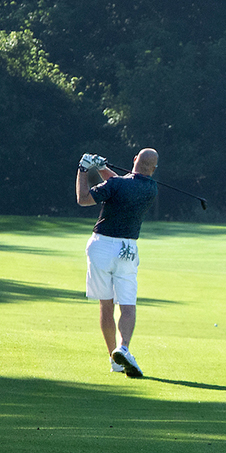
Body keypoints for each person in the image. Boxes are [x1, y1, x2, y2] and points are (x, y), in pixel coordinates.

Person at [76, 148, 161, 378]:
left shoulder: (116, 185)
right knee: (128, 304)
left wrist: (83, 170)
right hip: (128, 249)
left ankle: (114, 360)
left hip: (101, 246)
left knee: (106, 305)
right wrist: (102, 168)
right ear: (153, 169)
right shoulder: (151, 188)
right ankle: (123, 348)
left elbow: (83, 199)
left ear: (134, 160)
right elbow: (122, 184)